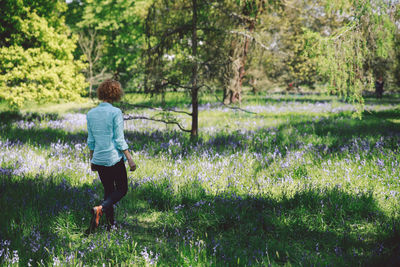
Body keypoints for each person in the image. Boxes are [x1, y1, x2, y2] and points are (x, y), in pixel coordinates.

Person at [86, 79, 136, 233]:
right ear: (115, 93)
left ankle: (111, 225)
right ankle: (100, 208)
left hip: (99, 159)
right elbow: (119, 139)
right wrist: (129, 158)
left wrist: (92, 160)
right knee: (121, 189)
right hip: (114, 158)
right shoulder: (115, 112)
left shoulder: (91, 113)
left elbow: (91, 140)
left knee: (108, 191)